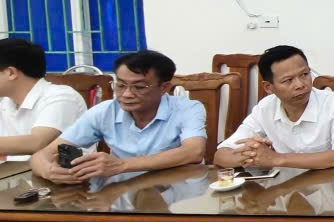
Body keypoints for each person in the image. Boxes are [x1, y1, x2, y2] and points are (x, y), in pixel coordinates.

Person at [30, 50, 206, 183]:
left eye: (139, 87)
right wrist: (49, 171)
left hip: (178, 191)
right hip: (123, 191)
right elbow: (42, 155)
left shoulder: (187, 108)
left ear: (164, 87)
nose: (127, 94)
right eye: (121, 85)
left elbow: (193, 152)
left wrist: (121, 165)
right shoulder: (104, 112)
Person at [213, 45, 334, 170]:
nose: (300, 84)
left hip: (328, 187)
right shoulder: (265, 108)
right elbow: (221, 156)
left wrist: (276, 159)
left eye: (305, 74)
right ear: (268, 87)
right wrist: (252, 154)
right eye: (288, 80)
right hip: (283, 188)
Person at [0, 37, 87, 157]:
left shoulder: (61, 96)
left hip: (61, 169)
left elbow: (37, 142)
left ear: (11, 73)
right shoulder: (5, 101)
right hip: (15, 169)